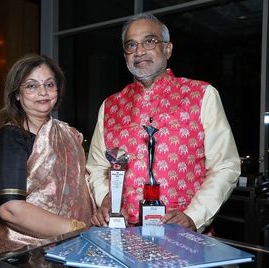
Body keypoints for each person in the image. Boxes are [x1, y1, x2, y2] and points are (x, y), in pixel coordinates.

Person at [86, 13, 240, 233]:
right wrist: (107, 201)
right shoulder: (110, 106)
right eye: (131, 45)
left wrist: (194, 216)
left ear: (168, 49)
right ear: (125, 55)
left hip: (185, 236)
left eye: (149, 41)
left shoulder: (201, 95)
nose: (139, 52)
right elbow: (97, 167)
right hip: (123, 236)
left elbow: (225, 166)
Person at [0, 54, 95, 255]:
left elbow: (84, 185)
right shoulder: (10, 138)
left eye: (49, 84)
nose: (43, 92)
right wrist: (77, 229)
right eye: (31, 86)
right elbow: (11, 209)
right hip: (28, 250)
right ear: (17, 94)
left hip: (73, 244)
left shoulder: (68, 133)